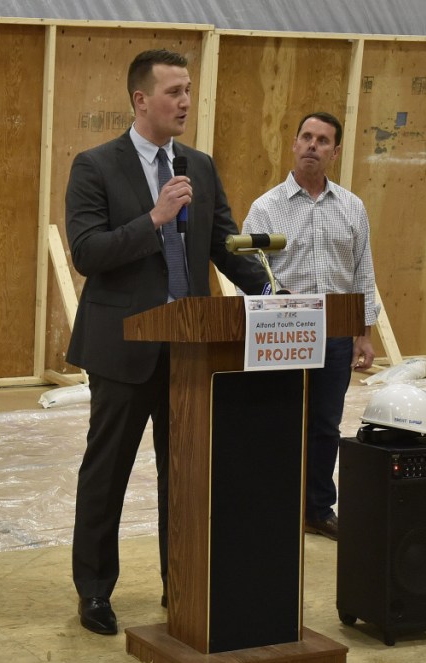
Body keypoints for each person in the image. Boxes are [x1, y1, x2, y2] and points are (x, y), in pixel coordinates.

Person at [64, 49, 268, 636]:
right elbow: (87, 252)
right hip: (124, 349)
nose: (184, 101)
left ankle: (180, 580)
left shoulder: (198, 167)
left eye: (187, 90)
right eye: (174, 91)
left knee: (186, 476)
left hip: (194, 350)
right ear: (140, 100)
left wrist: (274, 291)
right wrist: (153, 219)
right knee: (108, 474)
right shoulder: (95, 166)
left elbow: (224, 243)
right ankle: (96, 592)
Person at [242, 111, 377, 541]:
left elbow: (362, 273)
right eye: (306, 137)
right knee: (278, 422)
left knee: (324, 425)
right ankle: (273, 506)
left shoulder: (352, 207)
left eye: (322, 140)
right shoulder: (266, 208)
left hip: (336, 337)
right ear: (294, 144)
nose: (312, 146)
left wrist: (364, 332)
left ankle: (317, 508)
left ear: (334, 152)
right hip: (283, 334)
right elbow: (246, 270)